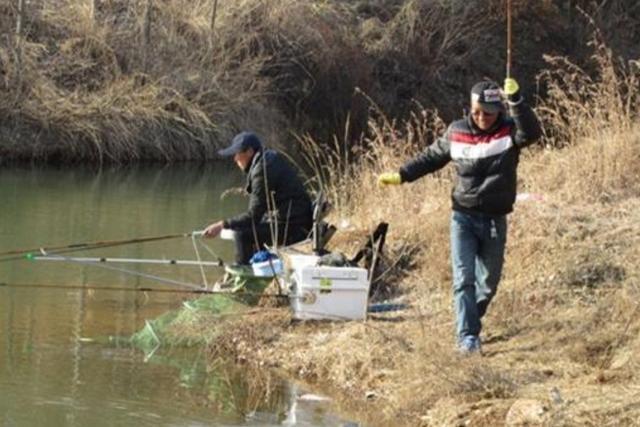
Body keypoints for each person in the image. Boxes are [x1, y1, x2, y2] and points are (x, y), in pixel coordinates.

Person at [378, 78, 542, 353]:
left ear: (498, 111)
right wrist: (402, 174)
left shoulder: (509, 132)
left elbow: (532, 133)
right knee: (463, 278)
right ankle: (467, 337)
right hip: (462, 218)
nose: (481, 118)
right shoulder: (457, 132)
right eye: (476, 112)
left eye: (488, 113)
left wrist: (517, 101)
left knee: (488, 283)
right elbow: (431, 157)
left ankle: (469, 319)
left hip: (493, 220)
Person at [203, 131, 313, 265]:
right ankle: (259, 265)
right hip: (298, 220)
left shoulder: (262, 170)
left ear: (249, 151)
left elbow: (253, 216)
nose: (235, 158)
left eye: (237, 153)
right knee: (254, 226)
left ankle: (245, 275)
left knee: (241, 234)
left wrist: (221, 225)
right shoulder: (268, 159)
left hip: (296, 227)